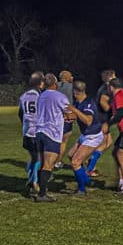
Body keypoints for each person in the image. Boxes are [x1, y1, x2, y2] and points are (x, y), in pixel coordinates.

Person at [34, 73, 71, 202]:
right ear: (55, 84)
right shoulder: (60, 96)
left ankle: (38, 187)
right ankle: (42, 194)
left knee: (43, 163)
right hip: (52, 133)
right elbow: (70, 114)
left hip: (39, 132)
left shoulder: (41, 96)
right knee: (48, 165)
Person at [64, 80, 104, 194]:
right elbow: (75, 115)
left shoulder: (88, 103)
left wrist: (74, 110)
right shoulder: (78, 102)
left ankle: (82, 189)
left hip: (93, 136)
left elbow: (88, 121)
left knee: (76, 162)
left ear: (75, 91)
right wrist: (66, 116)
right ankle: (86, 180)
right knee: (71, 156)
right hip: (86, 135)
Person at [18, 71, 44, 197]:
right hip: (36, 132)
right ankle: (33, 182)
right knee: (39, 159)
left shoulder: (23, 96)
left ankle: (31, 180)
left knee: (33, 158)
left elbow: (20, 114)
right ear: (40, 84)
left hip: (26, 132)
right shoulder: (41, 96)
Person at [87, 69, 116, 177]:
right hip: (102, 120)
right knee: (102, 143)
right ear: (110, 77)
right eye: (114, 76)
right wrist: (112, 111)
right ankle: (90, 167)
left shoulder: (104, 87)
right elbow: (103, 102)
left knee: (107, 142)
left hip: (101, 119)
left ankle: (91, 164)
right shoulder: (106, 89)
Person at [55, 70, 74, 169]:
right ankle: (57, 162)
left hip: (54, 117)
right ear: (67, 78)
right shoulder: (72, 87)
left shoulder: (54, 86)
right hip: (67, 116)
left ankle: (49, 160)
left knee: (54, 140)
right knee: (63, 141)